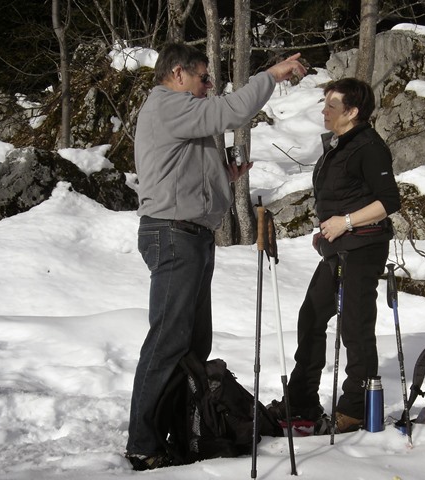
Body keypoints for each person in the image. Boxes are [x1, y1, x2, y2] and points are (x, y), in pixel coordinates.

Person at [125, 43, 306, 471]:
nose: (209, 85)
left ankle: (178, 430)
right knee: (168, 341)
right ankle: (142, 443)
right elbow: (229, 112)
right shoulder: (167, 105)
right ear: (177, 74)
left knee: (193, 345)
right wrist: (273, 75)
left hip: (191, 236)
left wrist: (226, 176)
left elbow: (181, 171)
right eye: (204, 77)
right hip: (171, 234)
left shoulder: (182, 112)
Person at [268, 78, 401, 434]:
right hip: (338, 248)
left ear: (352, 112)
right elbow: (344, 195)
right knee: (310, 317)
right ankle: (301, 401)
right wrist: (328, 230)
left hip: (363, 248)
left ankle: (355, 410)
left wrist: (345, 222)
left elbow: (389, 201)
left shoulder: (369, 146)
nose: (324, 111)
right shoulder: (340, 145)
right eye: (324, 104)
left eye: (332, 106)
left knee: (356, 330)